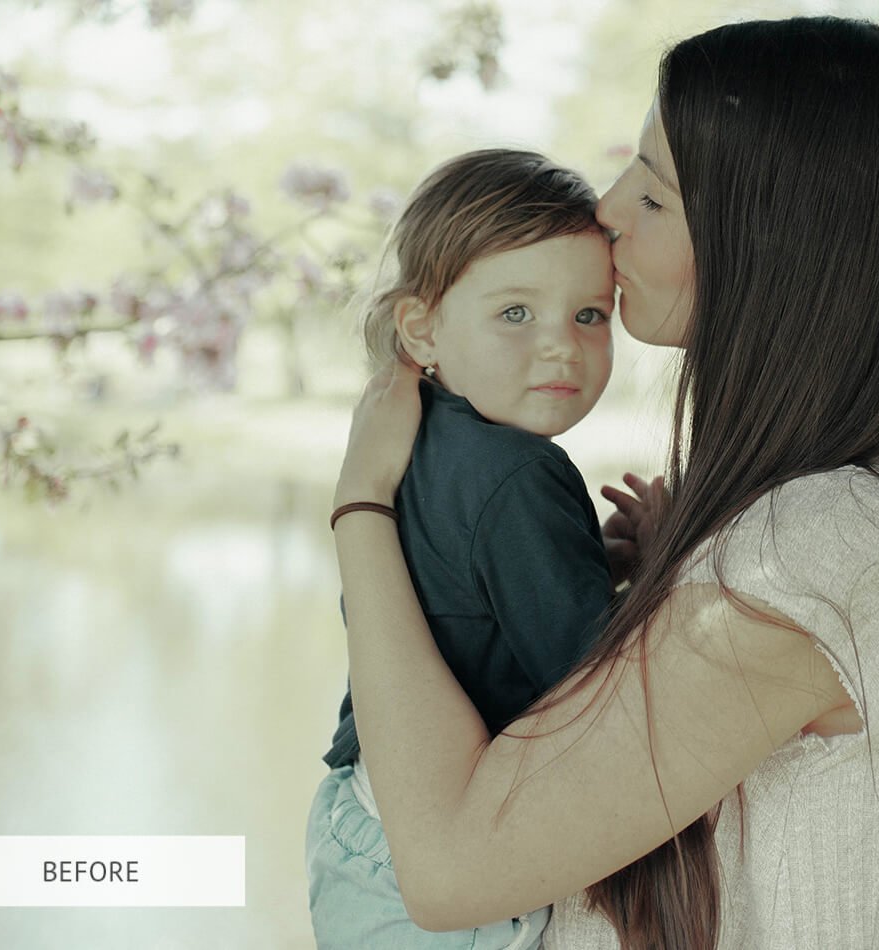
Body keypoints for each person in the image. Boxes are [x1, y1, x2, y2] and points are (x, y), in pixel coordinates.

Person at [330, 17, 879, 950]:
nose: (606, 210)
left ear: (775, 246)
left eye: (652, 197)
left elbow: (449, 870)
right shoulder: (816, 522)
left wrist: (361, 508)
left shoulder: (820, 547)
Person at [307, 148, 635, 950]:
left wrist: (602, 559)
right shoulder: (522, 471)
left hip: (358, 822)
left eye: (589, 315)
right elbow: (593, 683)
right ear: (422, 328)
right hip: (440, 865)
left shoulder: (417, 440)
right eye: (516, 313)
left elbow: (451, 596)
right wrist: (668, 571)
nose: (560, 346)